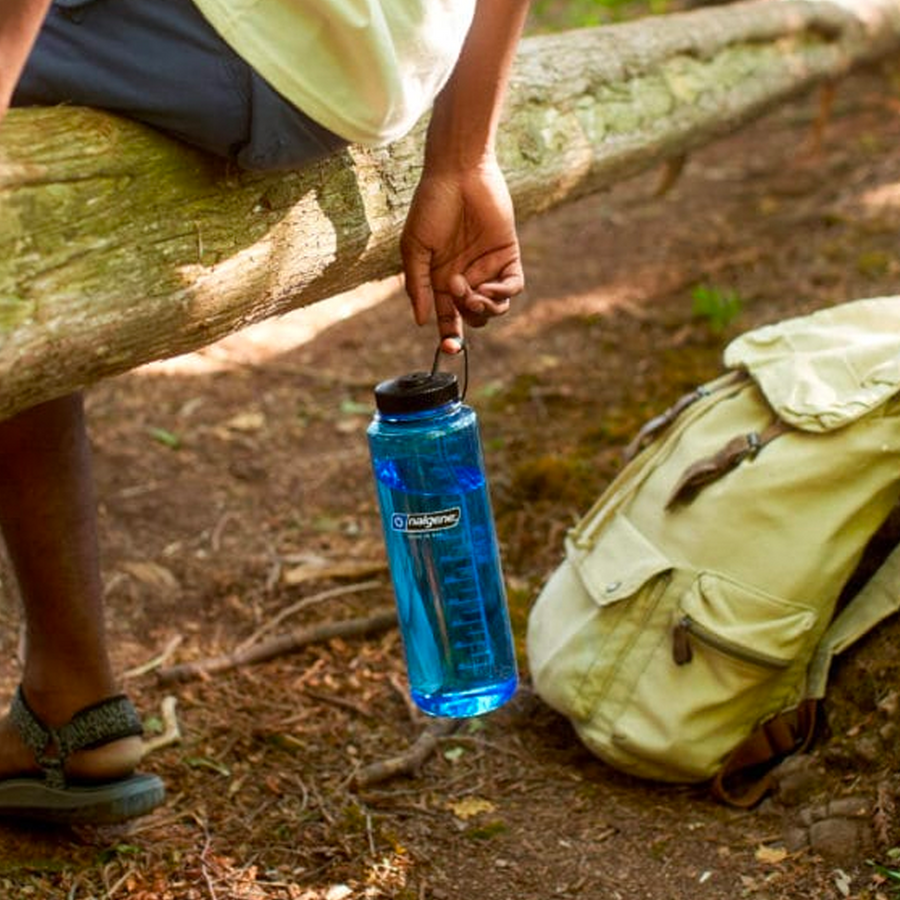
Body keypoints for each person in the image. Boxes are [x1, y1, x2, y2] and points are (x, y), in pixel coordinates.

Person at [0, 0, 529, 824]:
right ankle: (72, 703)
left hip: (245, 38)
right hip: (383, 67)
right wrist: (464, 156)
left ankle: (71, 689)